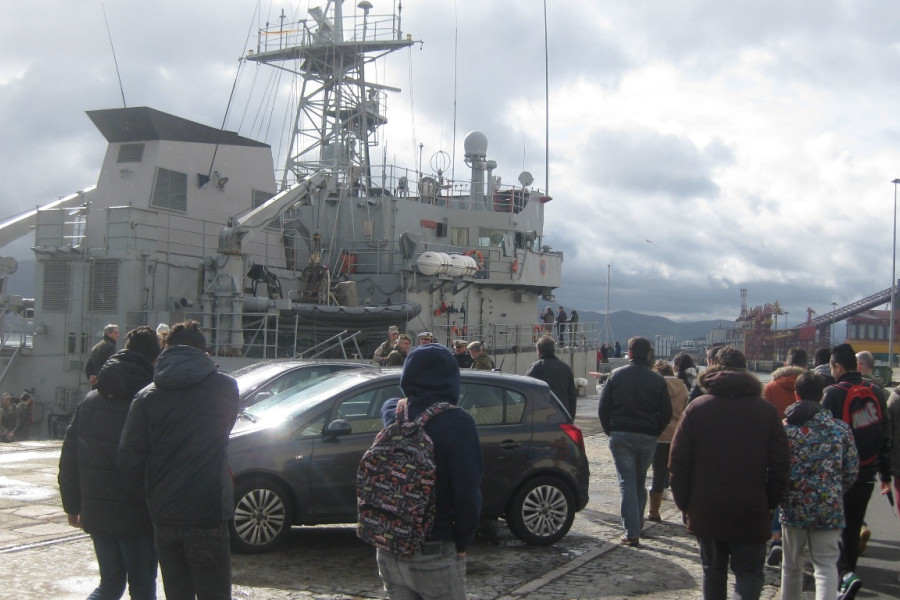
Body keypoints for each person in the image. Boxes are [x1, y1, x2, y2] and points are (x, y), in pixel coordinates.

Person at [118, 320, 239, 600]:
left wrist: (153, 495)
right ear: (203, 351)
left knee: (177, 593)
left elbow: (128, 458)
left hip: (165, 513)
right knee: (215, 593)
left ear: (166, 349)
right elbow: (224, 429)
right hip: (208, 510)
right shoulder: (225, 388)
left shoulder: (146, 397)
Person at [669, 346, 790, 600]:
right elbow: (780, 464)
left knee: (712, 571)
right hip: (752, 506)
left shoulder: (697, 408)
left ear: (713, 368)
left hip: (706, 506)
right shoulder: (766, 411)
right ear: (746, 370)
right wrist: (770, 501)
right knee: (749, 573)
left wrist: (685, 502)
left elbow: (678, 462)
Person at [58, 326, 162, 600]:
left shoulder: (91, 400)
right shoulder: (151, 400)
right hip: (137, 515)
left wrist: (72, 505)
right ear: (154, 359)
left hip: (97, 511)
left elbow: (69, 455)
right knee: (142, 588)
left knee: (110, 584)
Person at [374, 344, 484, 600]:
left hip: (389, 546)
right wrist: (462, 542)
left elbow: (390, 403)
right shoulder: (459, 424)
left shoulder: (393, 412)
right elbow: (468, 494)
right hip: (434, 546)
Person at [779, 371, 858, 600]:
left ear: (796, 395)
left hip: (793, 505)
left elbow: (775, 467)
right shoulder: (840, 429)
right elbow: (851, 470)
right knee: (825, 565)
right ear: (822, 395)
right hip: (829, 506)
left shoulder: (785, 430)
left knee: (791, 565)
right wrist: (834, 490)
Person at [821, 343, 892, 599]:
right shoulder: (875, 390)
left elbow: (824, 437)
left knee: (832, 529)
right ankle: (848, 576)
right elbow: (884, 434)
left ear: (837, 366)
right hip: (867, 472)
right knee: (852, 530)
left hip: (839, 474)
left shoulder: (832, 393)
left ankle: (843, 577)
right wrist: (885, 474)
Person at [597, 336, 672, 545]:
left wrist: (610, 431)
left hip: (620, 434)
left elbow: (603, 408)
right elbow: (666, 412)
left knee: (627, 482)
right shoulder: (657, 380)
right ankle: (637, 524)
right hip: (647, 436)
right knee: (639, 481)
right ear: (648, 354)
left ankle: (632, 532)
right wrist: (655, 431)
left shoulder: (616, 376)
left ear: (629, 353)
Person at [647, 360, 687, 522]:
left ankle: (654, 511)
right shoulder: (683, 387)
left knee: (658, 474)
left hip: (660, 436)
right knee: (679, 475)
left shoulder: (656, 387)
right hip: (678, 436)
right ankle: (685, 511)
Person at [525, 335, 577, 417]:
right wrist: (570, 418)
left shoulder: (535, 368)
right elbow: (572, 396)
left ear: (538, 351)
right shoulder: (566, 368)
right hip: (562, 416)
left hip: (540, 417)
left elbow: (527, 393)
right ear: (553, 350)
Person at [763, 347, 808, 418]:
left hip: (778, 428)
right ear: (806, 367)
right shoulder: (813, 387)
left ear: (785, 365)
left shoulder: (769, 388)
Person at [85, 324, 120, 388]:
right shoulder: (111, 347)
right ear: (109, 334)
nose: (118, 335)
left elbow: (88, 366)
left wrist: (91, 376)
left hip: (95, 385)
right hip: (105, 385)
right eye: (116, 333)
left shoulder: (96, 346)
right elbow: (110, 366)